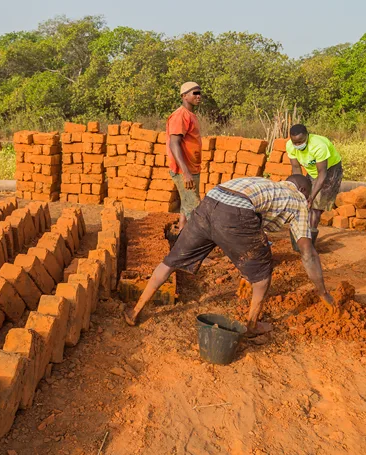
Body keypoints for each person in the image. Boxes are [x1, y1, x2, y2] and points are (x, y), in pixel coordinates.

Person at [123, 175, 334, 335]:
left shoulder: (263, 183)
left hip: (210, 202)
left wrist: (245, 267)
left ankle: (136, 310)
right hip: (235, 212)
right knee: (263, 274)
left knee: (171, 260)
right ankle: (252, 325)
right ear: (304, 190)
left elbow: (249, 232)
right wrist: (322, 291)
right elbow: (307, 250)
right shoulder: (298, 200)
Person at [286, 124, 343, 247]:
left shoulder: (318, 146)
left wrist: (311, 196)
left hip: (330, 170)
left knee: (316, 205)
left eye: (300, 141)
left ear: (307, 136)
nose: (297, 145)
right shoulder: (290, 146)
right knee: (304, 202)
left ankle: (310, 240)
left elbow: (322, 174)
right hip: (312, 171)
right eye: (294, 142)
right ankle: (302, 233)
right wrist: (299, 191)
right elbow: (296, 168)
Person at [167, 81, 203, 231]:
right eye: (195, 93)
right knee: (197, 211)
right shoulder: (180, 116)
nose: (199, 96)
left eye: (200, 92)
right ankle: (192, 251)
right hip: (184, 171)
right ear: (184, 96)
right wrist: (186, 173)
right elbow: (174, 144)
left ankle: (181, 232)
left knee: (187, 203)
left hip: (191, 168)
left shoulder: (190, 115)